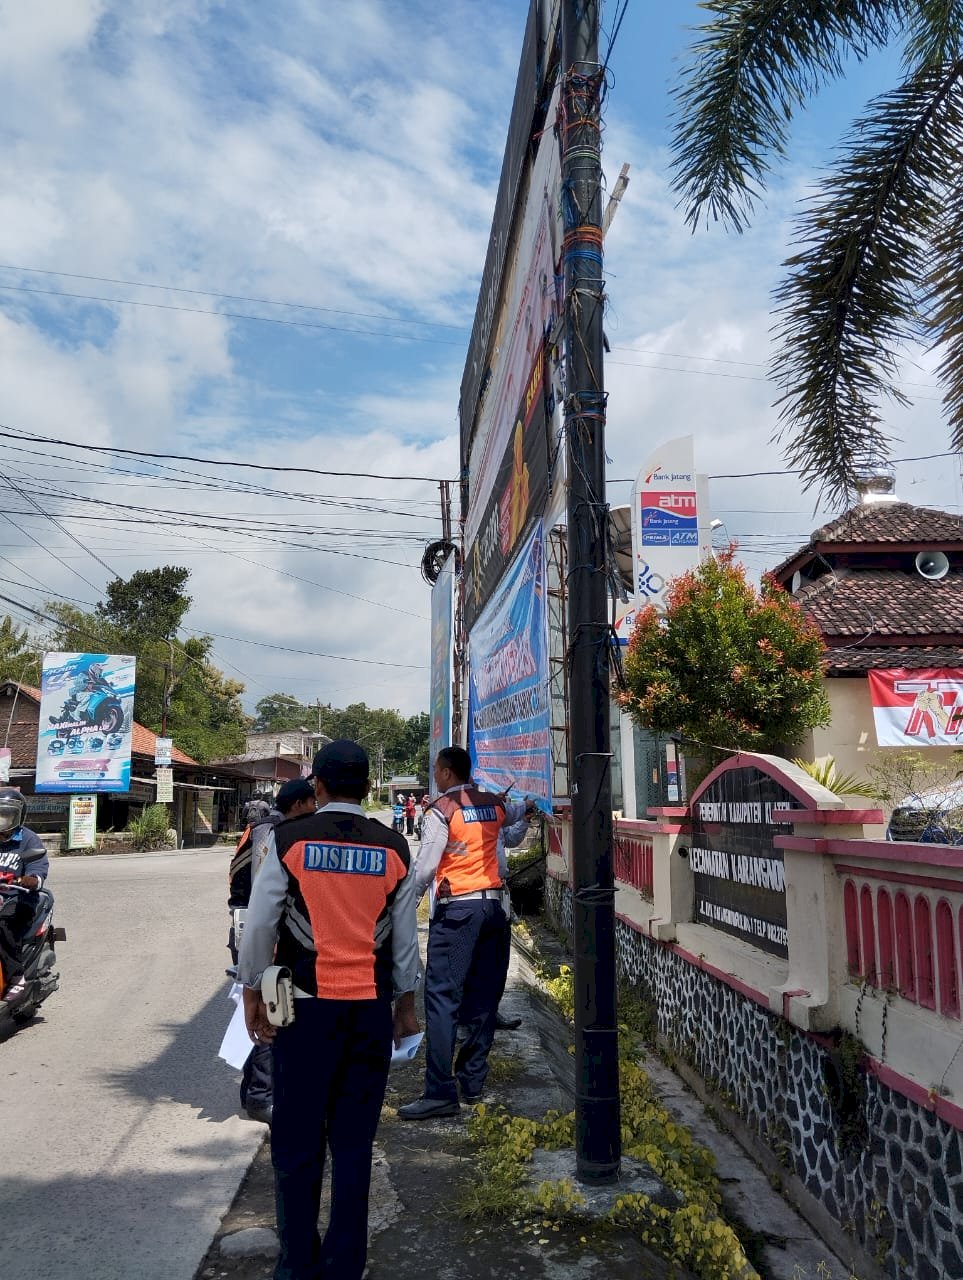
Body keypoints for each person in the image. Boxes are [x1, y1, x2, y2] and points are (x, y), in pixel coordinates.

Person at [237, 740, 419, 1280]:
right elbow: (405, 942)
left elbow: (261, 923)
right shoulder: (393, 847)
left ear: (317, 784)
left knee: (296, 1141)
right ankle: (344, 1266)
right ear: (367, 787)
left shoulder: (289, 840)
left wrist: (250, 993)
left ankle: (297, 1263)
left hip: (304, 1012)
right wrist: (405, 1006)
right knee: (354, 1142)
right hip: (367, 1013)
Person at [398, 745, 530, 1120]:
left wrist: (405, 907)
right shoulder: (493, 804)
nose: (436, 775)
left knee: (442, 999)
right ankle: (472, 1082)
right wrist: (530, 807)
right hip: (495, 909)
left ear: (446, 773)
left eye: (437, 770)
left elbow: (424, 870)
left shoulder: (441, 811)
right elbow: (519, 812)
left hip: (458, 910)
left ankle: (440, 1091)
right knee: (484, 997)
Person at [228, 777, 317, 1124]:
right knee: (273, 1010)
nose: (315, 809)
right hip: (266, 932)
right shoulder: (279, 834)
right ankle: (261, 1096)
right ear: (297, 805)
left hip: (246, 928)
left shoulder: (260, 830)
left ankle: (252, 1087)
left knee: (261, 1009)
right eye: (311, 803)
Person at [0, 787, 50, 1003]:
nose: (2, 820)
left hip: (19, 898)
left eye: (6, 815)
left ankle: (16, 976)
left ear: (18, 815)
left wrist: (25, 880)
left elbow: (37, 874)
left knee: (1, 924)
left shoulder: (29, 840)